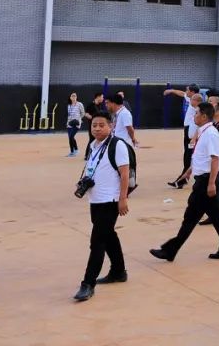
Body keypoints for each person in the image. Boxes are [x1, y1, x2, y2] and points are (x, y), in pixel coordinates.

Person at [150, 102, 219, 262]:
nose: (194, 116)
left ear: (203, 116)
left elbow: (215, 159)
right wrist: (190, 170)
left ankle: (170, 250)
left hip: (205, 183)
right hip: (202, 180)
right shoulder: (204, 132)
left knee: (191, 218)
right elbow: (202, 156)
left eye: (196, 113)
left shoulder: (211, 134)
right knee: (217, 217)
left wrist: (211, 184)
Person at [73, 110, 130, 302]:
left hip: (110, 201)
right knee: (108, 235)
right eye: (94, 125)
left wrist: (123, 198)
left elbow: (124, 173)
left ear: (111, 126)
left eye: (101, 125)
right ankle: (118, 271)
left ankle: (88, 284)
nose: (97, 128)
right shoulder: (93, 144)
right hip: (95, 199)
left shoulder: (118, 145)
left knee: (97, 242)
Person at [164, 85, 200, 187]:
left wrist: (194, 137)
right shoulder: (191, 99)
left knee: (188, 156)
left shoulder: (197, 105)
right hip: (188, 130)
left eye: (187, 90)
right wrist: (170, 91)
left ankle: (182, 180)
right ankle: (185, 178)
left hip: (191, 131)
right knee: (187, 155)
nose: (185, 92)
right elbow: (181, 93)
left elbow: (200, 123)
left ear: (192, 92)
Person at [65, 92, 84, 157]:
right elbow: (69, 115)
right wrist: (67, 123)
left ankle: (75, 150)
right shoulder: (69, 105)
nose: (74, 97)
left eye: (75, 96)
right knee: (70, 137)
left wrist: (79, 119)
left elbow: (82, 113)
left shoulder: (79, 104)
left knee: (71, 136)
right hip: (70, 123)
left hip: (76, 123)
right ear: (70, 97)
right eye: (72, 96)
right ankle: (73, 151)